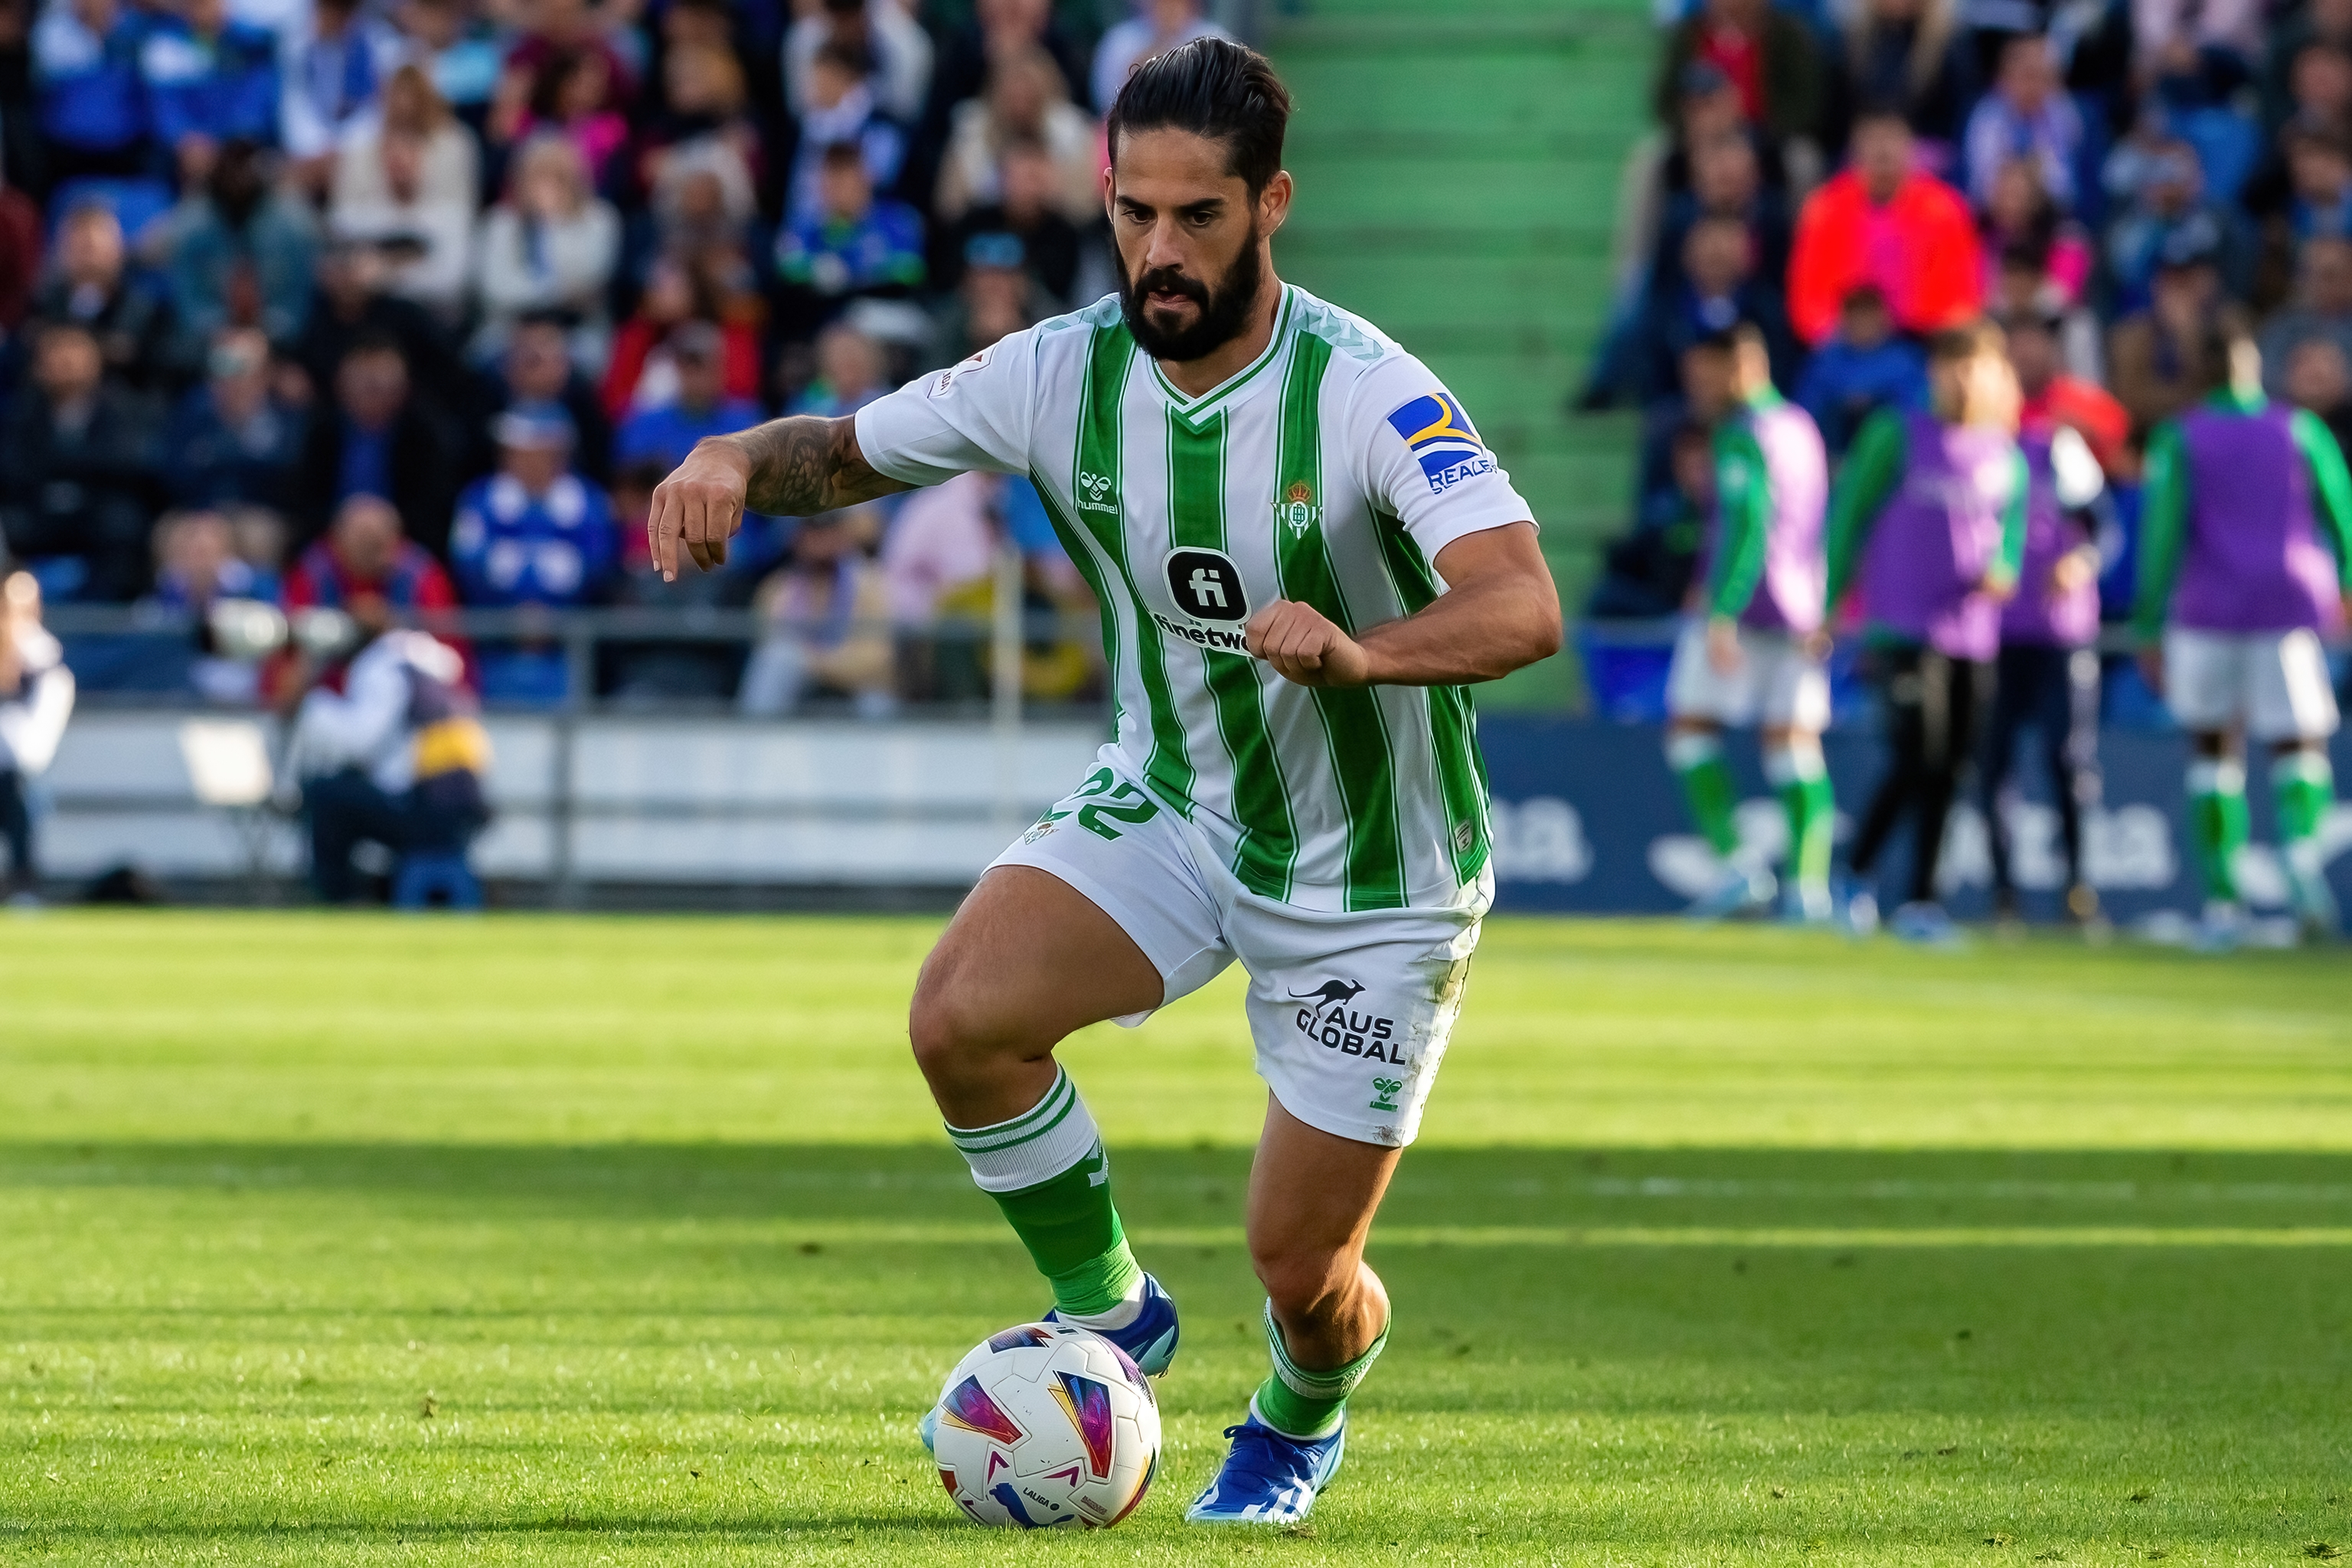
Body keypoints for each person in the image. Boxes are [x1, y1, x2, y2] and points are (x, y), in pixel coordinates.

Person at [644, 39, 1560, 1527]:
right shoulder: (1058, 370)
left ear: (1272, 205)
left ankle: (1296, 1415)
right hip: (1175, 802)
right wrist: (734, 456)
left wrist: (1363, 652)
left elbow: (1523, 604)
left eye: (1198, 217)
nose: (1159, 250)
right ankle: (1116, 1310)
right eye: (1135, 212)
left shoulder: (1369, 393)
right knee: (961, 1020)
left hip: (1372, 875)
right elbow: (844, 453)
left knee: (1302, 1271)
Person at [2134, 318, 2352, 948]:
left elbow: (2163, 532)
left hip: (2208, 609)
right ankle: (2302, 862)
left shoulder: (2184, 438)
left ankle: (2225, 899)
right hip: (2288, 605)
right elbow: (2340, 512)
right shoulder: (2298, 429)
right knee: (2298, 744)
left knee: (2213, 750)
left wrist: (2150, 619)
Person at [1825, 323, 2028, 945]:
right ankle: (1854, 876)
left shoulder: (2006, 454)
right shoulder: (1897, 434)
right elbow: (1850, 515)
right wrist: (1829, 604)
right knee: (1920, 754)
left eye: (1979, 367)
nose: (1966, 379)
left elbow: (2013, 531)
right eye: (1954, 366)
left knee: (1954, 768)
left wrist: (2006, 570)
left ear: (1999, 376)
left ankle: (1922, 903)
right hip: (1903, 628)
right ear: (1935, 373)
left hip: (1974, 634)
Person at [1662, 324, 1834, 923]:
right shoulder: (1802, 427)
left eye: (1707, 373)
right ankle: (1808, 892)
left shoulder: (1741, 435)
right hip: (1802, 611)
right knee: (1793, 744)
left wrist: (1722, 609)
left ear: (1739, 365)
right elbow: (1819, 522)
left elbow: (1748, 522)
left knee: (1689, 730)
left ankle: (1739, 869)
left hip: (1743, 608)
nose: (1699, 388)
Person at [279, 590, 488, 903]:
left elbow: (360, 743)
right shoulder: (422, 656)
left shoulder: (382, 666)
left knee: (323, 795)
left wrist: (312, 707)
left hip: (426, 808)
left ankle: (336, 900)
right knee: (345, 791)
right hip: (466, 806)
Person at [1981, 410, 2107, 926]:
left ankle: (2077, 886)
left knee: (2068, 760)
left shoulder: (2056, 448)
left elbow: (2104, 528)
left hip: (2061, 635)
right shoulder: (1968, 455)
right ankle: (2003, 893)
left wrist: (2081, 563)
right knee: (1994, 766)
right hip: (1991, 636)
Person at [449, 403, 616, 705]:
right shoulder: (479, 499)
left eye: (525, 449)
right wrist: (511, 617)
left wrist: (553, 616)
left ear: (556, 453)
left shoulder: (590, 504)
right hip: (493, 644)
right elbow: (468, 562)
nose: (513, 458)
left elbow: (599, 566)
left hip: (567, 648)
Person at [1788, 106, 1984, 345]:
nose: (1882, 150)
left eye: (1892, 137)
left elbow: (1963, 297)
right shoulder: (1824, 208)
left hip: (1925, 344)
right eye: (1871, 138)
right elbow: (1807, 302)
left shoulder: (1945, 209)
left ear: (1911, 145)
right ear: (1854, 148)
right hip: (1844, 346)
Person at [0, 319, 162, 602]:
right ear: (38, 365)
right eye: (55, 350)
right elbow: (13, 469)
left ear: (96, 359)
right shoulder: (21, 417)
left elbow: (133, 466)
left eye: (75, 349)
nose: (66, 360)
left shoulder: (126, 411)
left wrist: (66, 467)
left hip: (99, 509)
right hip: (37, 510)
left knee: (123, 524)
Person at [292, 335, 460, 557]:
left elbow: (434, 508)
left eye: (381, 384)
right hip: (331, 542)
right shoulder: (321, 432)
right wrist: (345, 523)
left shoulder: (426, 435)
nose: (372, 392)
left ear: (404, 386)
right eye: (363, 383)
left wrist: (385, 525)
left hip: (404, 546)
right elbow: (303, 500)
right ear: (341, 383)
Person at [471, 132, 620, 371]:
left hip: (575, 336)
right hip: (508, 335)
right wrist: (555, 294)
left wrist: (549, 226)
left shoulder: (600, 220)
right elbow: (496, 290)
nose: (546, 186)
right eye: (537, 177)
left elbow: (588, 282)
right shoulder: (500, 223)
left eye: (557, 178)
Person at [737, 511, 894, 717]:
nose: (821, 539)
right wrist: (805, 662)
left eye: (829, 530)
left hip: (855, 688)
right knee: (779, 659)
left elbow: (876, 660)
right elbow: (766, 648)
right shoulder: (778, 588)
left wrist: (814, 662)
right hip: (797, 685)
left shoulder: (869, 583)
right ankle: (755, 737)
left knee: (876, 705)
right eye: (812, 531)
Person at [30, 202, 180, 391]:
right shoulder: (44, 306)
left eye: (95, 247)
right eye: (81, 247)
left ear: (117, 249)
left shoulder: (145, 311)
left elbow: (155, 369)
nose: (88, 256)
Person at [164, 325, 304, 510]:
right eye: (222, 366)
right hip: (198, 511)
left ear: (265, 374)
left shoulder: (286, 413)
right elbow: (172, 471)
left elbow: (287, 477)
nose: (230, 379)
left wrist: (214, 454)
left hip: (259, 514)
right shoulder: (196, 408)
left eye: (241, 368)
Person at [0, 570, 75, 904]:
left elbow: (37, 731)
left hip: (18, 764)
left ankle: (24, 886)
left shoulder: (40, 654)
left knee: (20, 814)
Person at [1795, 283, 1929, 456]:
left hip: (1890, 453)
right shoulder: (1824, 360)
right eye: (1856, 315)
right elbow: (1804, 414)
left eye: (1868, 314)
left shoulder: (1906, 361)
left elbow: (1918, 415)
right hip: (1833, 455)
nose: (1862, 323)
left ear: (1884, 317)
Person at [1091, 0, 1229, 113]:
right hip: (1134, 124)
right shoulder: (1119, 40)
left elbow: (1225, 95)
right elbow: (1105, 102)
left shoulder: (1215, 38)